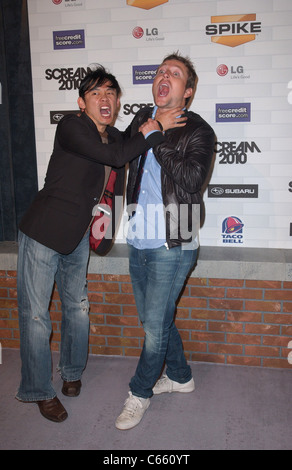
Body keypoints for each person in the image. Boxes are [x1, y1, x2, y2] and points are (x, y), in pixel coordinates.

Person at [15, 65, 183, 423]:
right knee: (35, 316)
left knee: (77, 307)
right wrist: (154, 130)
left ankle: (72, 372)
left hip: (76, 237)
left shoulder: (114, 136)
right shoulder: (73, 127)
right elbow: (115, 158)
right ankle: (38, 390)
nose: (104, 99)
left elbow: (124, 150)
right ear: (82, 102)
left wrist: (153, 121)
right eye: (96, 93)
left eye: (110, 93)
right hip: (43, 232)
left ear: (118, 101)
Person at [115, 52, 215, 430]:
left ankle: (139, 394)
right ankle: (180, 375)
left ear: (187, 92)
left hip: (175, 240)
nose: (164, 76)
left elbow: (190, 179)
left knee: (154, 326)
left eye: (174, 74)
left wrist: (157, 135)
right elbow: (121, 153)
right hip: (139, 236)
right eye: (160, 71)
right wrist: (150, 125)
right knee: (152, 319)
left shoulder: (200, 131)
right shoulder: (144, 117)